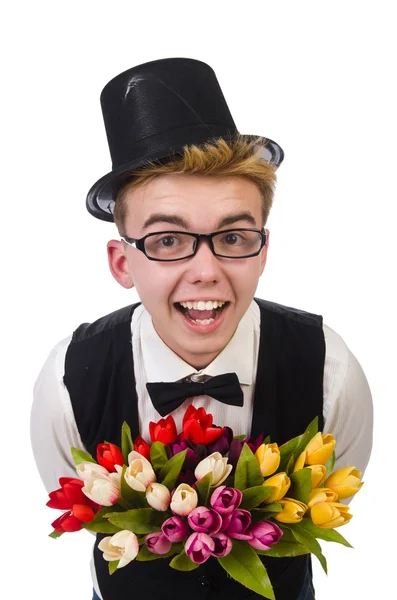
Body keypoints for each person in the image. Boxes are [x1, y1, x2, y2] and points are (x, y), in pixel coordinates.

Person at [30, 58, 373, 600]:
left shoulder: (329, 367)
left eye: (234, 237)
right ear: (123, 263)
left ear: (263, 252)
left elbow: (337, 489)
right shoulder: (70, 377)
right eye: (168, 240)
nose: (206, 270)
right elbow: (76, 502)